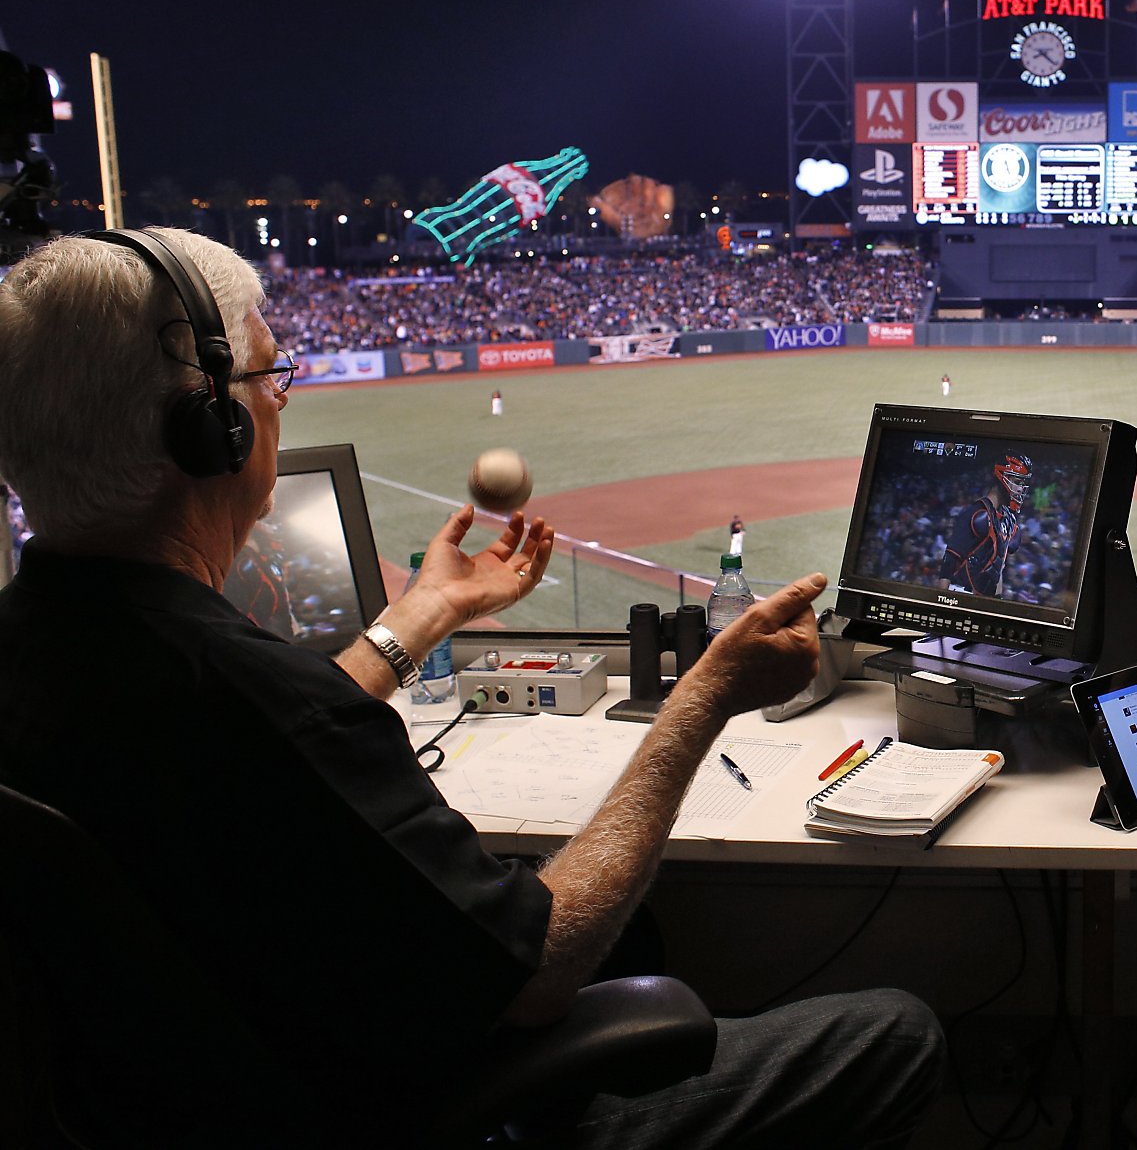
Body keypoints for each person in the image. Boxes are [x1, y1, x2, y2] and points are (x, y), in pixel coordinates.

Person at [0, 229, 944, 1149]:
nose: (278, 403)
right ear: (211, 429)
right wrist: (704, 695)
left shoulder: (54, 654)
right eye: (267, 377)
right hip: (398, 1107)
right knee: (894, 1032)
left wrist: (424, 615)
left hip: (181, 1097)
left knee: (645, 937)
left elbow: (275, 737)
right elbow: (533, 971)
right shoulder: (257, 700)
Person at [943, 451, 1032, 596]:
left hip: (983, 601)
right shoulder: (978, 513)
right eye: (1017, 482)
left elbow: (997, 568)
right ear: (1002, 477)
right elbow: (950, 560)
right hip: (960, 595)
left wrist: (996, 602)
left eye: (1023, 484)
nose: (1021, 489)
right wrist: (941, 601)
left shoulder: (1009, 521)